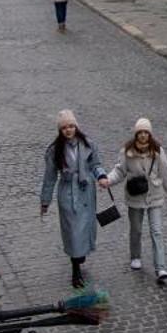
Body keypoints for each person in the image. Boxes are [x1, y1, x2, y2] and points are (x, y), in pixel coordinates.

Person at [108, 117, 167, 285]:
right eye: (140, 132)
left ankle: (161, 267)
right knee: (136, 229)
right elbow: (119, 171)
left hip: (154, 196)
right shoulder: (127, 152)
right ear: (135, 134)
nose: (142, 135)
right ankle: (135, 256)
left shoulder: (158, 151)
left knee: (157, 231)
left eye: (145, 132)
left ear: (150, 134)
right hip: (135, 197)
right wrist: (108, 180)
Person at [39, 110, 108, 288]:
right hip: (68, 193)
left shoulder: (88, 144)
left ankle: (80, 254)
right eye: (64, 128)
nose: (68, 130)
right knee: (73, 232)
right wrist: (45, 200)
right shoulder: (55, 150)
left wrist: (101, 176)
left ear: (76, 126)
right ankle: (75, 270)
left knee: (84, 228)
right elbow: (50, 176)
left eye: (71, 126)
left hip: (86, 191)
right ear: (60, 131)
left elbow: (95, 164)